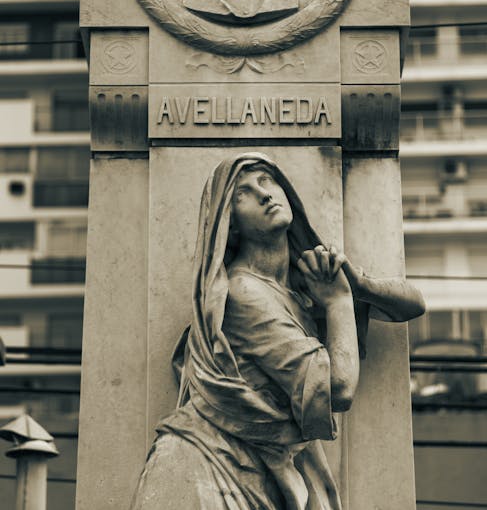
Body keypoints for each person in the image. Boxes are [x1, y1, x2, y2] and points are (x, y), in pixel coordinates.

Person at [130, 153, 425, 510]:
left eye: (267, 180)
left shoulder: (297, 289)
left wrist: (358, 282)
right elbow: (338, 389)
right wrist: (338, 303)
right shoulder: (243, 293)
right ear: (231, 222)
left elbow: (412, 304)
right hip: (210, 464)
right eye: (243, 193)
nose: (265, 194)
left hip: (256, 464)